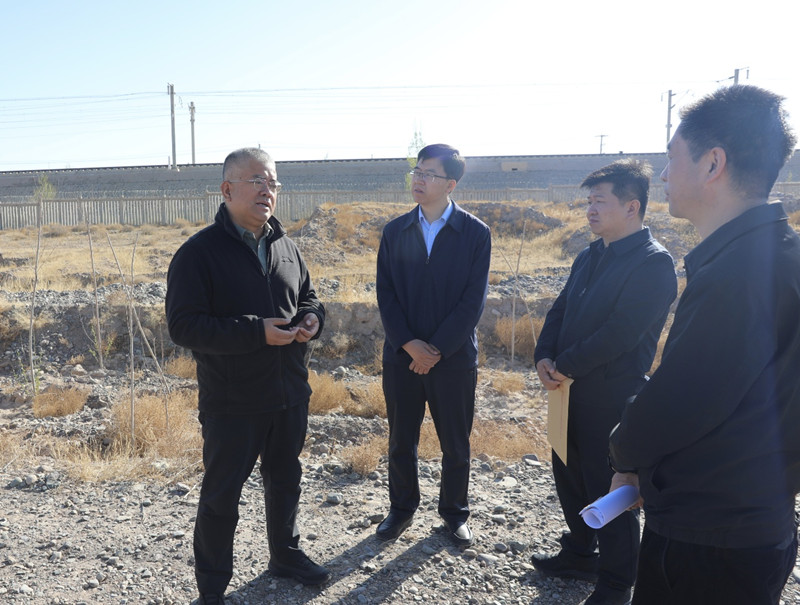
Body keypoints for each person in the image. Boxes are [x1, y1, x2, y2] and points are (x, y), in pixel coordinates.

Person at [609, 85, 800, 605]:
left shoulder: (739, 273)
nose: (663, 175)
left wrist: (626, 452)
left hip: (707, 543)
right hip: (761, 522)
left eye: (672, 158)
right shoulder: (783, 254)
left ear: (713, 163)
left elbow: (681, 400)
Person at [165, 148, 329, 605]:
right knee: (222, 495)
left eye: (272, 182)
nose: (266, 190)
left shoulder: (286, 246)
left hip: (289, 392)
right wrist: (257, 332)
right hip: (233, 400)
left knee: (286, 480)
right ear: (227, 189)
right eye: (256, 180)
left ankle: (285, 556)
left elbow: (310, 297)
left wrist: (313, 319)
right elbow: (184, 326)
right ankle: (212, 587)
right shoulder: (198, 254)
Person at [532, 159, 678, 605]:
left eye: (600, 201)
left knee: (609, 488)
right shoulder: (590, 254)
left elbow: (622, 333)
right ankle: (580, 552)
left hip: (611, 396)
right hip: (567, 389)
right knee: (568, 475)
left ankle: (616, 583)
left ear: (632, 206)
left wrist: (565, 364)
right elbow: (560, 309)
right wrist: (543, 355)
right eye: (589, 202)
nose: (590, 210)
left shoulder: (653, 263)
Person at [375, 143, 491, 546]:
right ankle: (401, 509)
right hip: (402, 357)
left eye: (429, 174)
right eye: (417, 172)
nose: (419, 180)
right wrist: (409, 344)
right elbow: (386, 294)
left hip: (453, 359)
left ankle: (455, 513)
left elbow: (472, 301)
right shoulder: (395, 231)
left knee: (455, 443)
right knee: (400, 440)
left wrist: (436, 349)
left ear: (450, 184)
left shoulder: (474, 233)